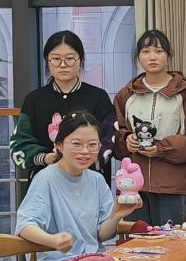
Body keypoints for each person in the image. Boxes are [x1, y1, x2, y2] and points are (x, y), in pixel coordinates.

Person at [15, 111, 140, 261]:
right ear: (59, 145)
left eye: (92, 144)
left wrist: (116, 215)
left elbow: (101, 235)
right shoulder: (45, 179)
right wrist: (53, 241)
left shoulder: (97, 180)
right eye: (76, 144)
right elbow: (24, 226)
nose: (85, 151)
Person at [112, 30, 186, 226]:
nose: (152, 57)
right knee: (136, 239)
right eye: (146, 51)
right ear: (138, 57)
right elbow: (115, 135)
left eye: (159, 51)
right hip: (133, 185)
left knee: (170, 239)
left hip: (173, 184)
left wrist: (162, 148)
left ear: (169, 56)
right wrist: (126, 139)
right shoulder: (126, 94)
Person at [10, 31, 115, 177]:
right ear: (47, 61)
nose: (63, 65)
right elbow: (19, 143)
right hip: (46, 178)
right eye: (56, 59)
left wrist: (86, 157)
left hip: (90, 178)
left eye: (70, 59)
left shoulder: (99, 97)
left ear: (81, 60)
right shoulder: (34, 99)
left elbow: (111, 136)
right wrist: (46, 158)